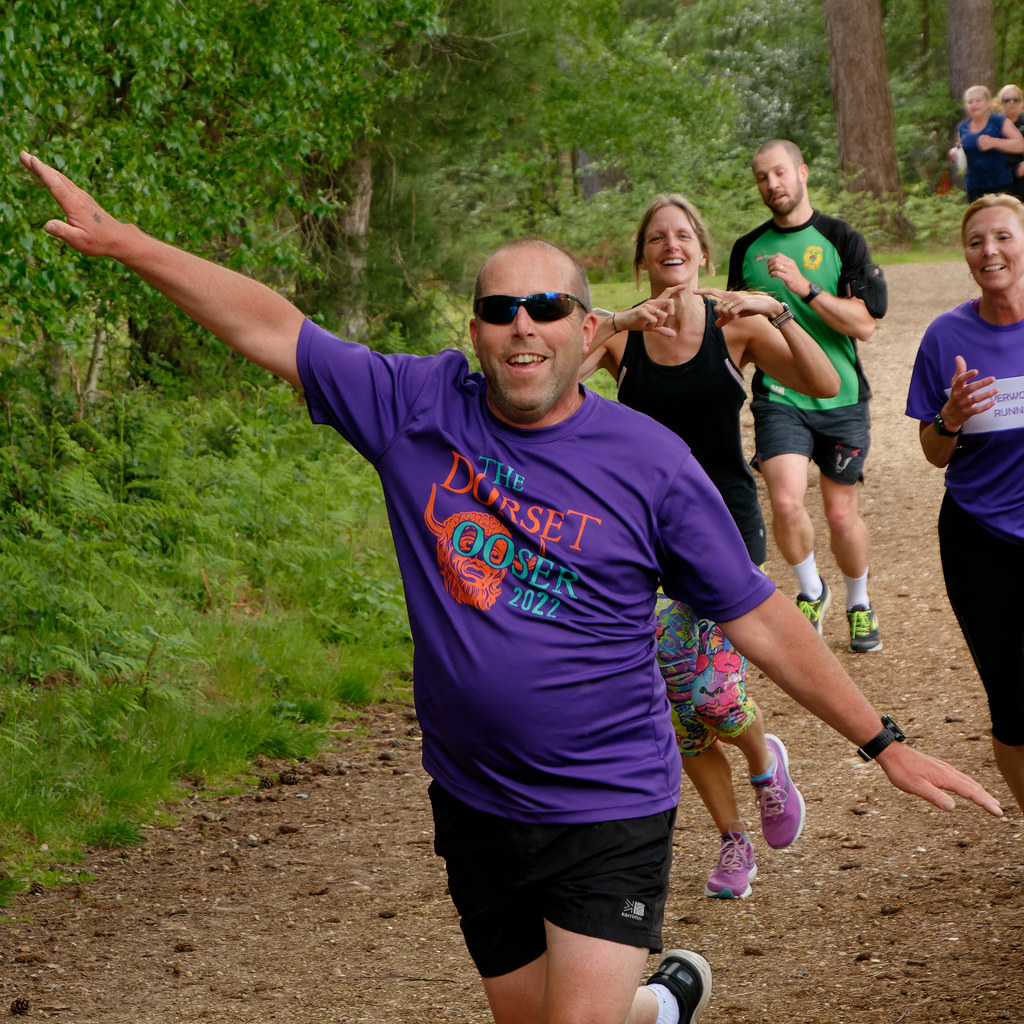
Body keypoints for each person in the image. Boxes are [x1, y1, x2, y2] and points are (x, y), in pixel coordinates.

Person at [20, 150, 1003, 1024]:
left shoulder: (649, 461)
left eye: (546, 309)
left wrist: (881, 742)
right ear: (477, 329)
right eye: (498, 309)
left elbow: (753, 612)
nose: (521, 328)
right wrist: (127, 243)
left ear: (586, 331)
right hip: (474, 799)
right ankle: (657, 1003)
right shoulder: (412, 404)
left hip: (609, 800)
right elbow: (274, 326)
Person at [581, 193, 840, 900]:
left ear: (701, 250)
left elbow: (824, 382)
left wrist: (774, 311)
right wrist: (618, 318)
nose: (670, 245)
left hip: (724, 530)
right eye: (656, 238)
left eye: (683, 236)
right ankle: (733, 840)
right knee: (672, 707)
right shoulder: (622, 337)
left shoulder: (733, 330)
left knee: (713, 698)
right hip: (640, 542)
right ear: (643, 257)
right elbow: (546, 372)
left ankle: (764, 761)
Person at [729, 138, 887, 654]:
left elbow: (865, 325)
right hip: (779, 397)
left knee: (842, 515)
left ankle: (859, 603)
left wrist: (805, 288)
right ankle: (810, 590)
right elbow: (733, 331)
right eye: (761, 178)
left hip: (841, 398)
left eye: (778, 173)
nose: (771, 185)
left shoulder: (842, 237)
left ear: (801, 173)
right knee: (785, 499)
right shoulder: (747, 249)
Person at [905, 193, 1024, 816]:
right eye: (977, 242)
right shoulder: (947, 336)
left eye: (1003, 237)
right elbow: (933, 453)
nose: (990, 251)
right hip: (981, 538)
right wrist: (948, 417)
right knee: (1012, 705)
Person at [946, 84, 1024, 203]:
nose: (974, 104)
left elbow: (1020, 145)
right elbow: (960, 150)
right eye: (970, 102)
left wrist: (995, 142)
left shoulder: (999, 121)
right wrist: (954, 153)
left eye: (978, 100)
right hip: (974, 186)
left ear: (988, 102)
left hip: (1001, 185)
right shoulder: (962, 127)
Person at [996, 83, 1024, 201]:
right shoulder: (993, 124)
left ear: (1021, 103)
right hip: (999, 174)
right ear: (1000, 103)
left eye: (1015, 99)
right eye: (1007, 100)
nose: (1011, 102)